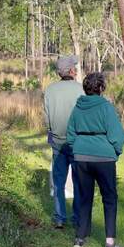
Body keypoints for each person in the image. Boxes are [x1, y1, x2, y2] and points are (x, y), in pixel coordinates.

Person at [66, 72, 124, 247]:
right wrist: (115, 152)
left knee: (84, 197)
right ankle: (109, 242)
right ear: (101, 88)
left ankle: (79, 238)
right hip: (104, 158)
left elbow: (70, 135)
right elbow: (117, 136)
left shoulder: (77, 108)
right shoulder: (106, 107)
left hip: (81, 157)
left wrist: (77, 149)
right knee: (109, 198)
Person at [44, 55, 84, 229]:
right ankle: (77, 217)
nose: (75, 69)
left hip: (57, 141)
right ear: (71, 71)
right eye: (74, 67)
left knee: (59, 182)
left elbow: (46, 118)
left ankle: (60, 218)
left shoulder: (50, 90)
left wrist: (51, 131)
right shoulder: (80, 90)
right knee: (78, 181)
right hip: (77, 141)